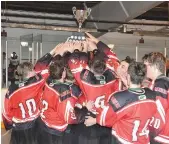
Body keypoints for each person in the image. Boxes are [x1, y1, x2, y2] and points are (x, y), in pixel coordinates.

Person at [85, 62, 158, 144]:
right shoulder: (152, 94)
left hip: (124, 140)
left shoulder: (118, 98)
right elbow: (136, 95)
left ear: (129, 76)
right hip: (143, 140)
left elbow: (104, 119)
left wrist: (94, 120)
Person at [67, 33, 121, 144]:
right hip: (105, 123)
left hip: (89, 124)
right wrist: (96, 48)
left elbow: (74, 63)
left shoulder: (86, 81)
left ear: (90, 68)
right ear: (105, 67)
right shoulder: (115, 79)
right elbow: (113, 59)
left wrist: (80, 49)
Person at [2, 46, 59, 144]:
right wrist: (54, 52)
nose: (35, 71)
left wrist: (9, 125)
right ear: (28, 73)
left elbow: (6, 113)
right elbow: (45, 70)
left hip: (18, 129)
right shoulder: (35, 84)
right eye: (33, 69)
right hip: (34, 125)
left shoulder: (11, 89)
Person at [38, 57, 83, 144]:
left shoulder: (47, 82)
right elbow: (69, 118)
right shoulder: (63, 90)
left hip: (44, 125)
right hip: (57, 129)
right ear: (63, 74)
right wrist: (84, 111)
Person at [142, 52, 169, 144]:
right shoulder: (161, 82)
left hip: (159, 135)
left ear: (154, 66)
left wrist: (152, 134)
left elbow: (159, 111)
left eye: (146, 65)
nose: (145, 69)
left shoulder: (160, 83)